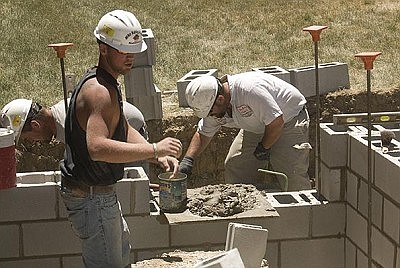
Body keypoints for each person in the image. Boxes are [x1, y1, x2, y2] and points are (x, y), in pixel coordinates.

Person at [59, 10, 182, 267]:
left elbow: (122, 128)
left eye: (134, 50)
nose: (130, 57)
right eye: (123, 50)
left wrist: (157, 154)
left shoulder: (106, 82)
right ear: (103, 48)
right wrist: (153, 148)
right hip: (92, 198)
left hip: (97, 195)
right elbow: (97, 147)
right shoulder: (99, 92)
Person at [179, 72, 312, 191]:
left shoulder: (249, 91)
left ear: (221, 99)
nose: (210, 117)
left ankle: (305, 215)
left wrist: (264, 147)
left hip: (288, 120)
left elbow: (276, 122)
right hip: (258, 125)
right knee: (236, 166)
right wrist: (188, 161)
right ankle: (244, 211)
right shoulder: (214, 106)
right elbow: (203, 134)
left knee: (293, 175)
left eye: (211, 113)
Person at [1, 98, 148, 144]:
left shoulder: (69, 126)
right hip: (115, 133)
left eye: (28, 137)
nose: (34, 142)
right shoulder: (60, 116)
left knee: (134, 193)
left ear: (35, 125)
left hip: (132, 133)